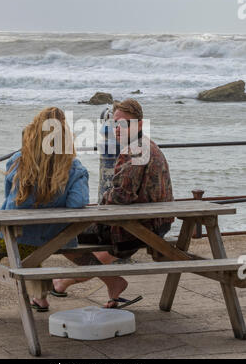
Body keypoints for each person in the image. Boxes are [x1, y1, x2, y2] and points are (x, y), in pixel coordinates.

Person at [52, 99, 174, 307]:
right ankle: (107, 284)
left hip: (138, 227)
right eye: (116, 123)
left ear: (140, 125)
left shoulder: (135, 150)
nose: (118, 128)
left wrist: (104, 199)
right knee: (92, 239)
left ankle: (109, 282)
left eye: (124, 123)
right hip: (154, 222)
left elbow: (122, 196)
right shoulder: (146, 145)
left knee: (61, 233)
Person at [0, 106, 90, 311]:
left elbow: (9, 199)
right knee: (29, 256)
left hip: (18, 236)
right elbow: (77, 202)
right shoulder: (73, 166)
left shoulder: (19, 160)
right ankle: (39, 297)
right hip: (56, 239)